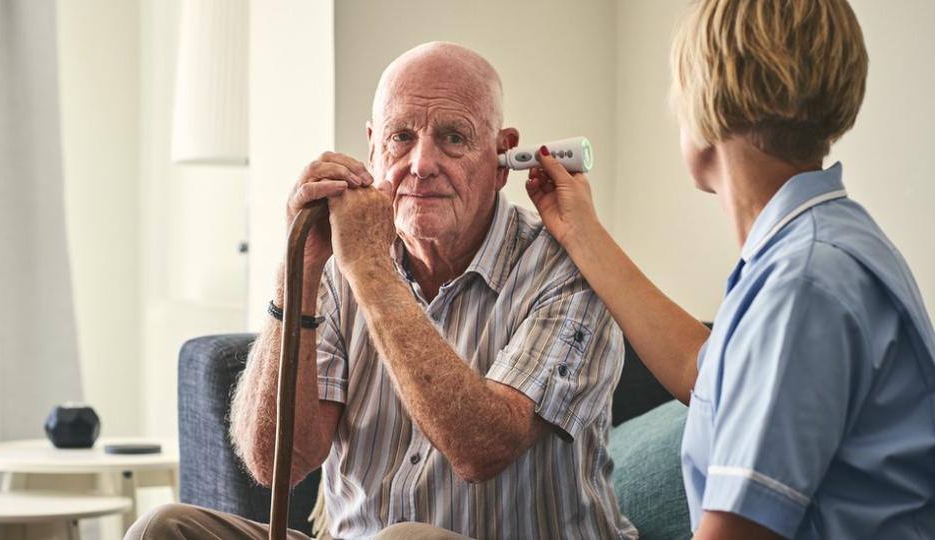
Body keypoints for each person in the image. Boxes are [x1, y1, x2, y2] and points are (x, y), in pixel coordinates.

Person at [125, 42, 637, 540]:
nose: (421, 163)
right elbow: (276, 461)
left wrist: (369, 269)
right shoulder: (338, 260)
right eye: (401, 137)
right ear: (372, 145)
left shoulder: (567, 272)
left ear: (502, 155)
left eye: (454, 138)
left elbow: (481, 449)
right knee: (163, 528)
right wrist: (297, 270)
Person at [526, 0, 935, 538]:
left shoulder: (802, 284)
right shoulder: (822, 244)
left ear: (706, 102)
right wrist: (581, 232)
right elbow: (705, 375)